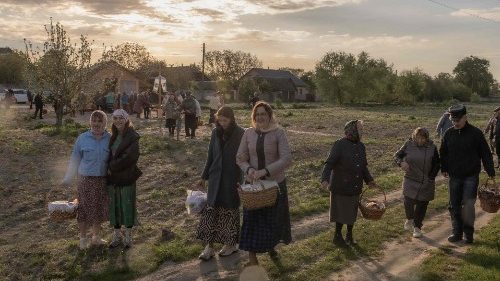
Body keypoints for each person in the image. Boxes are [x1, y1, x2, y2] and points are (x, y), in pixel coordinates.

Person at [236, 101, 293, 266]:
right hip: (253, 186)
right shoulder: (248, 133)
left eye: (263, 114)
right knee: (251, 221)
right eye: (257, 114)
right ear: (254, 117)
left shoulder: (278, 133)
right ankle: (252, 259)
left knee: (272, 220)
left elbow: (286, 158)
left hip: (274, 185)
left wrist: (265, 171)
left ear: (269, 115)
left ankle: (270, 246)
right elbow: (240, 157)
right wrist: (249, 170)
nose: (260, 117)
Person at [440, 104, 495, 244]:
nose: (455, 122)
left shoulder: (476, 133)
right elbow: (443, 153)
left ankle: (468, 234)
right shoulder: (448, 133)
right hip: (454, 175)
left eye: (458, 119)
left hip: (471, 175)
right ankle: (456, 232)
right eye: (453, 120)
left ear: (465, 117)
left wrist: (490, 171)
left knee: (468, 205)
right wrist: (444, 168)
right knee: (454, 205)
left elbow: (486, 153)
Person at [196, 106, 245, 260]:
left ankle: (230, 245)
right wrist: (203, 177)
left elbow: (244, 158)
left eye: (225, 120)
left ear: (232, 119)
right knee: (211, 212)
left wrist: (243, 180)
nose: (222, 123)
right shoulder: (215, 132)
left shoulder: (241, 133)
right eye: (220, 120)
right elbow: (210, 156)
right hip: (215, 179)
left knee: (229, 212)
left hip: (232, 179)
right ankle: (209, 247)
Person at [320, 120, 377, 247]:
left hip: (355, 185)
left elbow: (363, 167)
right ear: (352, 130)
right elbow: (329, 164)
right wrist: (325, 179)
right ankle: (337, 236)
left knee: (352, 212)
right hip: (341, 185)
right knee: (341, 212)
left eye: (362, 129)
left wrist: (370, 180)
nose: (361, 132)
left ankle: (349, 236)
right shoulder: (339, 144)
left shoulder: (361, 146)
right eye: (359, 129)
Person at [62, 110, 110, 250]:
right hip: (85, 180)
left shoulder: (110, 138)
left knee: (98, 209)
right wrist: (67, 178)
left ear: (105, 123)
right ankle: (83, 239)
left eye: (99, 121)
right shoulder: (82, 138)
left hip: (102, 180)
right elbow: (75, 159)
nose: (96, 124)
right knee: (83, 210)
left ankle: (95, 237)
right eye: (94, 121)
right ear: (90, 122)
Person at [394, 127, 440, 238]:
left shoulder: (432, 147)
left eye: (423, 138)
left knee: (421, 205)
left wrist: (431, 177)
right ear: (414, 136)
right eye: (418, 138)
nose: (420, 140)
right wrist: (401, 163)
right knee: (408, 201)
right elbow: (397, 156)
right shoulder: (408, 144)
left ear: (426, 138)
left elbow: (437, 163)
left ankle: (417, 227)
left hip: (426, 181)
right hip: (410, 178)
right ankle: (410, 218)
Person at [107, 109, 142, 248]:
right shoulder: (113, 136)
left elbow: (130, 157)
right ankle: (116, 235)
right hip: (113, 178)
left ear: (126, 119)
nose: (118, 121)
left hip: (126, 176)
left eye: (121, 118)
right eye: (115, 118)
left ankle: (128, 236)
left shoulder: (132, 136)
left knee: (127, 205)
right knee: (114, 206)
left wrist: (112, 166)